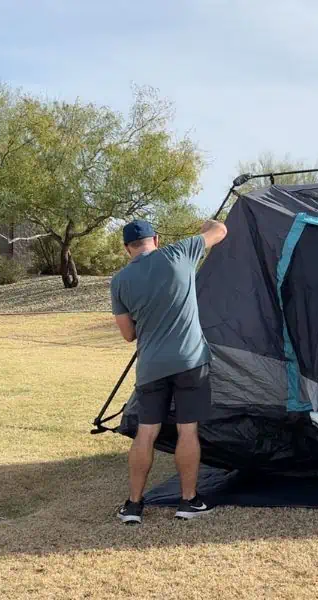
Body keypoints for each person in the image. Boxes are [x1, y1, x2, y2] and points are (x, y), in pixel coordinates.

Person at [110, 218, 228, 524]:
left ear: (127, 249)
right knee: (187, 430)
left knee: (146, 432)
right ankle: (189, 501)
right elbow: (220, 230)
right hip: (191, 362)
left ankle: (134, 505)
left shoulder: (120, 281)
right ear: (156, 240)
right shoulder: (181, 252)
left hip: (151, 367)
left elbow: (127, 335)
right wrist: (207, 224)